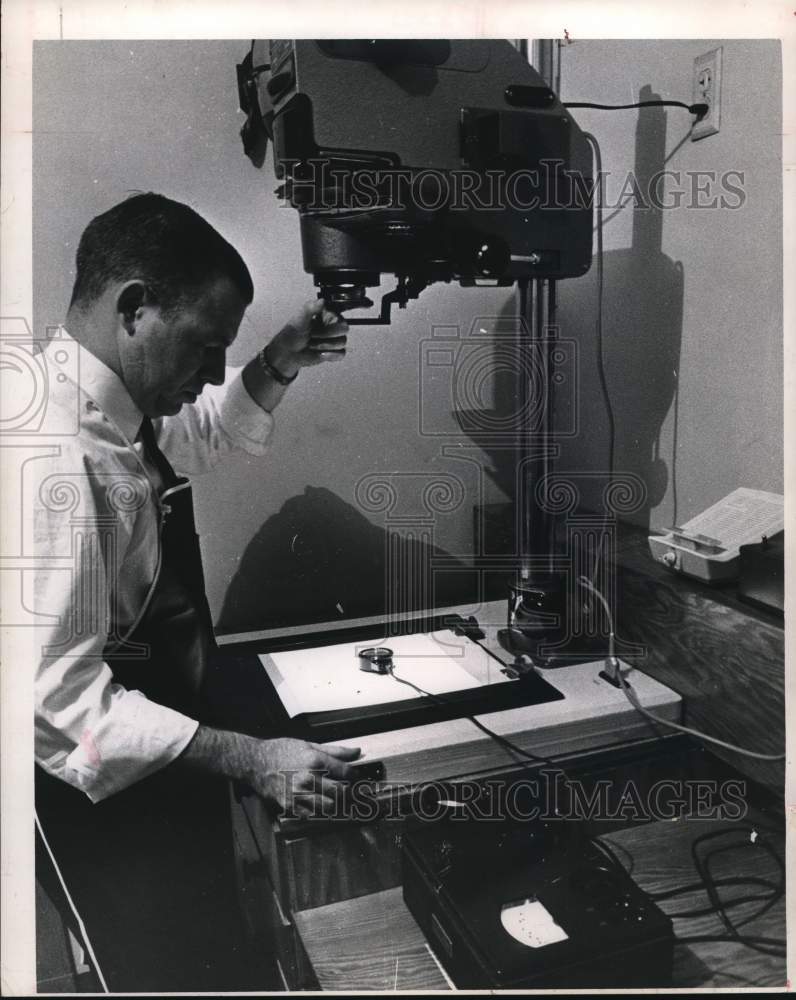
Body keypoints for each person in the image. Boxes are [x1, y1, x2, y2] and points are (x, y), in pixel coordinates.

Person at [33, 192, 360, 991]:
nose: (214, 371)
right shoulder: (51, 461)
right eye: (206, 346)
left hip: (159, 762)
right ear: (136, 310)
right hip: (99, 801)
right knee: (160, 971)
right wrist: (253, 756)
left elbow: (197, 430)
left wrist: (278, 359)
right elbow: (59, 699)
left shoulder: (116, 409)